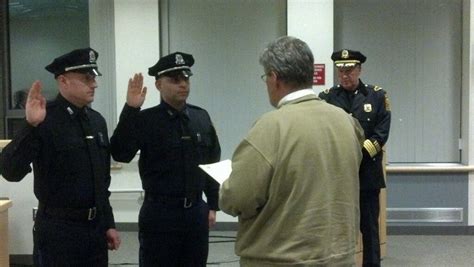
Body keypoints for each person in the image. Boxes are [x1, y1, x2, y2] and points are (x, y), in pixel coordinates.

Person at [219, 36, 365, 266]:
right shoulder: (346, 122)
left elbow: (236, 198)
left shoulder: (270, 127)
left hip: (282, 258)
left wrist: (226, 184)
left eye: (265, 76)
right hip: (339, 256)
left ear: (274, 77)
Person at [0, 47, 120, 266]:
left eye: (94, 77)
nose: (94, 83)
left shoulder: (97, 121)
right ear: (63, 81)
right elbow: (10, 171)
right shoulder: (44, 119)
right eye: (86, 78)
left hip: (94, 231)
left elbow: (102, 183)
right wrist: (30, 126)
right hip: (58, 232)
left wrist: (108, 223)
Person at [110, 52, 221, 266]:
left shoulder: (200, 117)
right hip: (160, 213)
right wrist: (131, 110)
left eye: (186, 78)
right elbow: (120, 153)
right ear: (159, 84)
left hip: (196, 211)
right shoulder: (145, 120)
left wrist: (213, 204)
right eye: (175, 80)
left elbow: (212, 164)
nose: (183, 85)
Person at [319, 49, 391, 267]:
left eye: (349, 70)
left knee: (369, 230)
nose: (345, 75)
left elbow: (380, 135)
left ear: (359, 69)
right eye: (341, 71)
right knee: (337, 229)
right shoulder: (327, 98)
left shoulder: (377, 96)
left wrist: (355, 155)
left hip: (367, 176)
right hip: (338, 177)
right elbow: (323, 133)